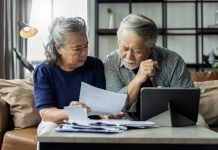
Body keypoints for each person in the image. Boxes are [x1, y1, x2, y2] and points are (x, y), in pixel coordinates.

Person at [103, 14, 195, 121]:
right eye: (125, 48)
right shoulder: (111, 62)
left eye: (137, 51)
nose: (129, 57)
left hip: (168, 123)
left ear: (151, 48)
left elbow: (189, 104)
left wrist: (163, 97)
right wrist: (138, 79)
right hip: (126, 125)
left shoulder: (173, 60)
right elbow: (113, 106)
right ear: (119, 42)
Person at [34, 17, 106, 135]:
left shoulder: (95, 65)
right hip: (57, 121)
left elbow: (100, 105)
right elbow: (46, 113)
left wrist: (108, 115)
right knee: (48, 130)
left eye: (86, 46)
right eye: (77, 49)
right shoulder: (44, 70)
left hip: (91, 121)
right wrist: (71, 112)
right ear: (58, 48)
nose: (84, 53)